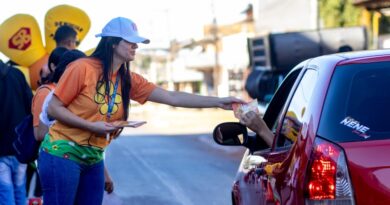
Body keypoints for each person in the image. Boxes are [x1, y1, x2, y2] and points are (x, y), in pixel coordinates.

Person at [38, 16, 243, 205]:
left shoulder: (127, 79)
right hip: (62, 153)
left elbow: (172, 97)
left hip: (93, 157)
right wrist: (91, 126)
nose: (135, 46)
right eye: (130, 41)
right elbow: (54, 109)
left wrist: (218, 102)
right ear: (112, 42)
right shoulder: (82, 68)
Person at [0, 60, 33, 205]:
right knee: (20, 191)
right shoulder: (17, 75)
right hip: (20, 148)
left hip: (0, 150)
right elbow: (31, 107)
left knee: (5, 192)